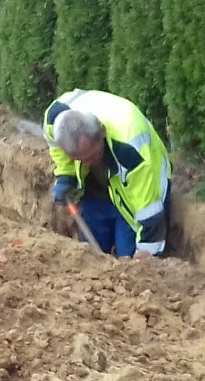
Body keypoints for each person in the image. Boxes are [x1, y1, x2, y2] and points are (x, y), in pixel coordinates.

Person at [42, 89, 171, 257]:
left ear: (102, 132)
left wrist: (145, 262)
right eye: (79, 159)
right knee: (90, 256)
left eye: (91, 156)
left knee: (128, 256)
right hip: (97, 194)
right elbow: (55, 145)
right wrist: (67, 175)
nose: (87, 164)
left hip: (134, 195)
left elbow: (151, 216)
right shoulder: (55, 119)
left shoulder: (131, 151)